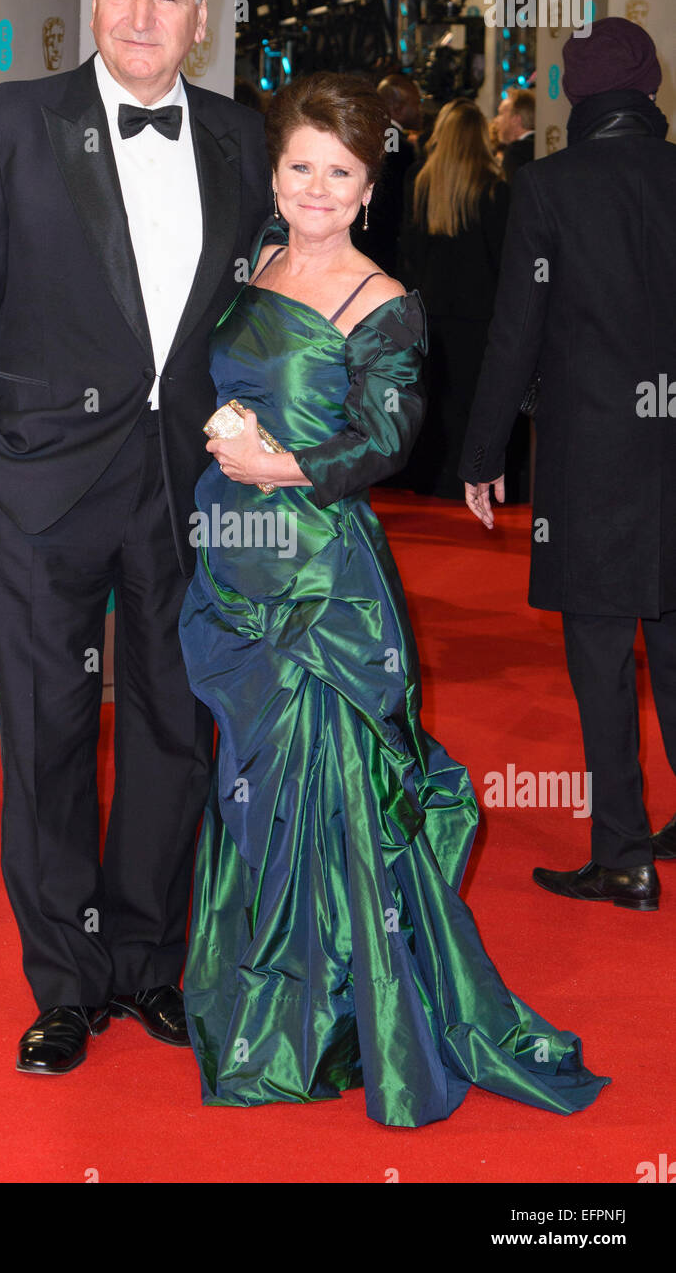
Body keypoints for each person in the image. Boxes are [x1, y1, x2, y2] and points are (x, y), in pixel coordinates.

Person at [178, 71, 609, 1127]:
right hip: (233, 560)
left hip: (323, 582)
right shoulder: (253, 260)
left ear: (370, 186)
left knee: (336, 794)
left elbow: (386, 437)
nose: (316, 189)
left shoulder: (384, 299)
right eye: (300, 167)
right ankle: (266, 1005)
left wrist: (274, 464)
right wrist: (222, 443)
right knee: (252, 784)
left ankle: (342, 1015)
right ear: (274, 172)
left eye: (340, 172)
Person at [0, 0, 271, 1074]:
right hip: (42, 492)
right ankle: (64, 982)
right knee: (49, 738)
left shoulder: (238, 136)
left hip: (187, 491)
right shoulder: (9, 121)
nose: (138, 16)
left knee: (177, 731)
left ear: (202, 19)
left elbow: (260, 314)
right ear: (91, 4)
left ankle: (149, 963)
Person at [460, 17, 676, 909]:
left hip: (590, 458)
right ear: (652, 85)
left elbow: (517, 330)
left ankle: (622, 853)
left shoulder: (546, 185)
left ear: (575, 96)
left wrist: (480, 452)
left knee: (596, 653)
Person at [398, 98, 526, 500]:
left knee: (433, 407)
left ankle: (434, 485)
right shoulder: (494, 190)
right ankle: (472, 485)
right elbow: (504, 259)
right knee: (475, 407)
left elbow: (409, 254)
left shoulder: (419, 181)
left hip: (428, 316)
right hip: (479, 319)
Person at [351, 73, 420, 277]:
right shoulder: (400, 147)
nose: (420, 111)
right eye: (417, 104)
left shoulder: (365, 136)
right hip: (385, 246)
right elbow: (399, 202)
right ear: (398, 108)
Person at [495, 87, 535, 184]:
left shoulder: (515, 152)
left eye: (500, 114)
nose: (496, 120)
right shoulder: (540, 145)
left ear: (515, 119)